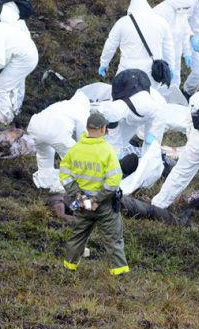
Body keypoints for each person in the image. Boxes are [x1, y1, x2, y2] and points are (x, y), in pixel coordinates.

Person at [59, 112, 128, 276]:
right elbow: (114, 180)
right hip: (104, 205)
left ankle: (68, 269)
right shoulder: (107, 151)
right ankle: (120, 274)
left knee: (77, 237)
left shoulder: (75, 150)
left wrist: (79, 196)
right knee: (113, 240)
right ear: (103, 129)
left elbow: (64, 174)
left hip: (82, 203)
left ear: (88, 128)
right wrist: (97, 200)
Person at [98, 0, 174, 84]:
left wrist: (104, 63)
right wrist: (171, 66)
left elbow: (110, 45)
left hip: (127, 68)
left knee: (123, 95)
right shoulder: (161, 22)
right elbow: (168, 47)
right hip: (151, 71)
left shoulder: (122, 23)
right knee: (150, 96)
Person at [28, 91, 91, 196]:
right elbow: (82, 136)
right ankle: (60, 187)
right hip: (56, 133)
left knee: (44, 156)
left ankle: (45, 181)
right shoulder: (82, 111)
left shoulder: (63, 104)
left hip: (35, 127)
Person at [152, 0, 199, 96]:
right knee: (159, 84)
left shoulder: (181, 11)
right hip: (161, 55)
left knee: (174, 83)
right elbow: (153, 34)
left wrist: (187, 52)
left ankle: (172, 105)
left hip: (175, 53)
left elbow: (184, 32)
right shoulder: (161, 11)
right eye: (186, 8)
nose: (187, 10)